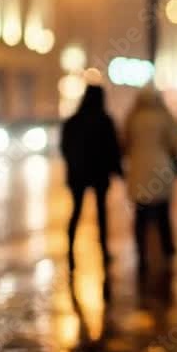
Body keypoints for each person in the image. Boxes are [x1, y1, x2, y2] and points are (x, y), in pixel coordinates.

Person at [60, 85, 123, 273]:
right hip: (99, 173)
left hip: (78, 174)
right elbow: (113, 149)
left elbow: (65, 148)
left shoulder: (73, 121)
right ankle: (103, 250)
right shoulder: (104, 121)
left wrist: (74, 165)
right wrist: (118, 171)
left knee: (76, 211)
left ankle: (70, 252)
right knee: (101, 213)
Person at [122, 87, 177, 277]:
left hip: (138, 169)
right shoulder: (164, 117)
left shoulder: (133, 118)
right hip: (161, 168)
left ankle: (141, 255)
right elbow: (173, 143)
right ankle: (167, 250)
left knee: (141, 216)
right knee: (163, 213)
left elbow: (125, 143)